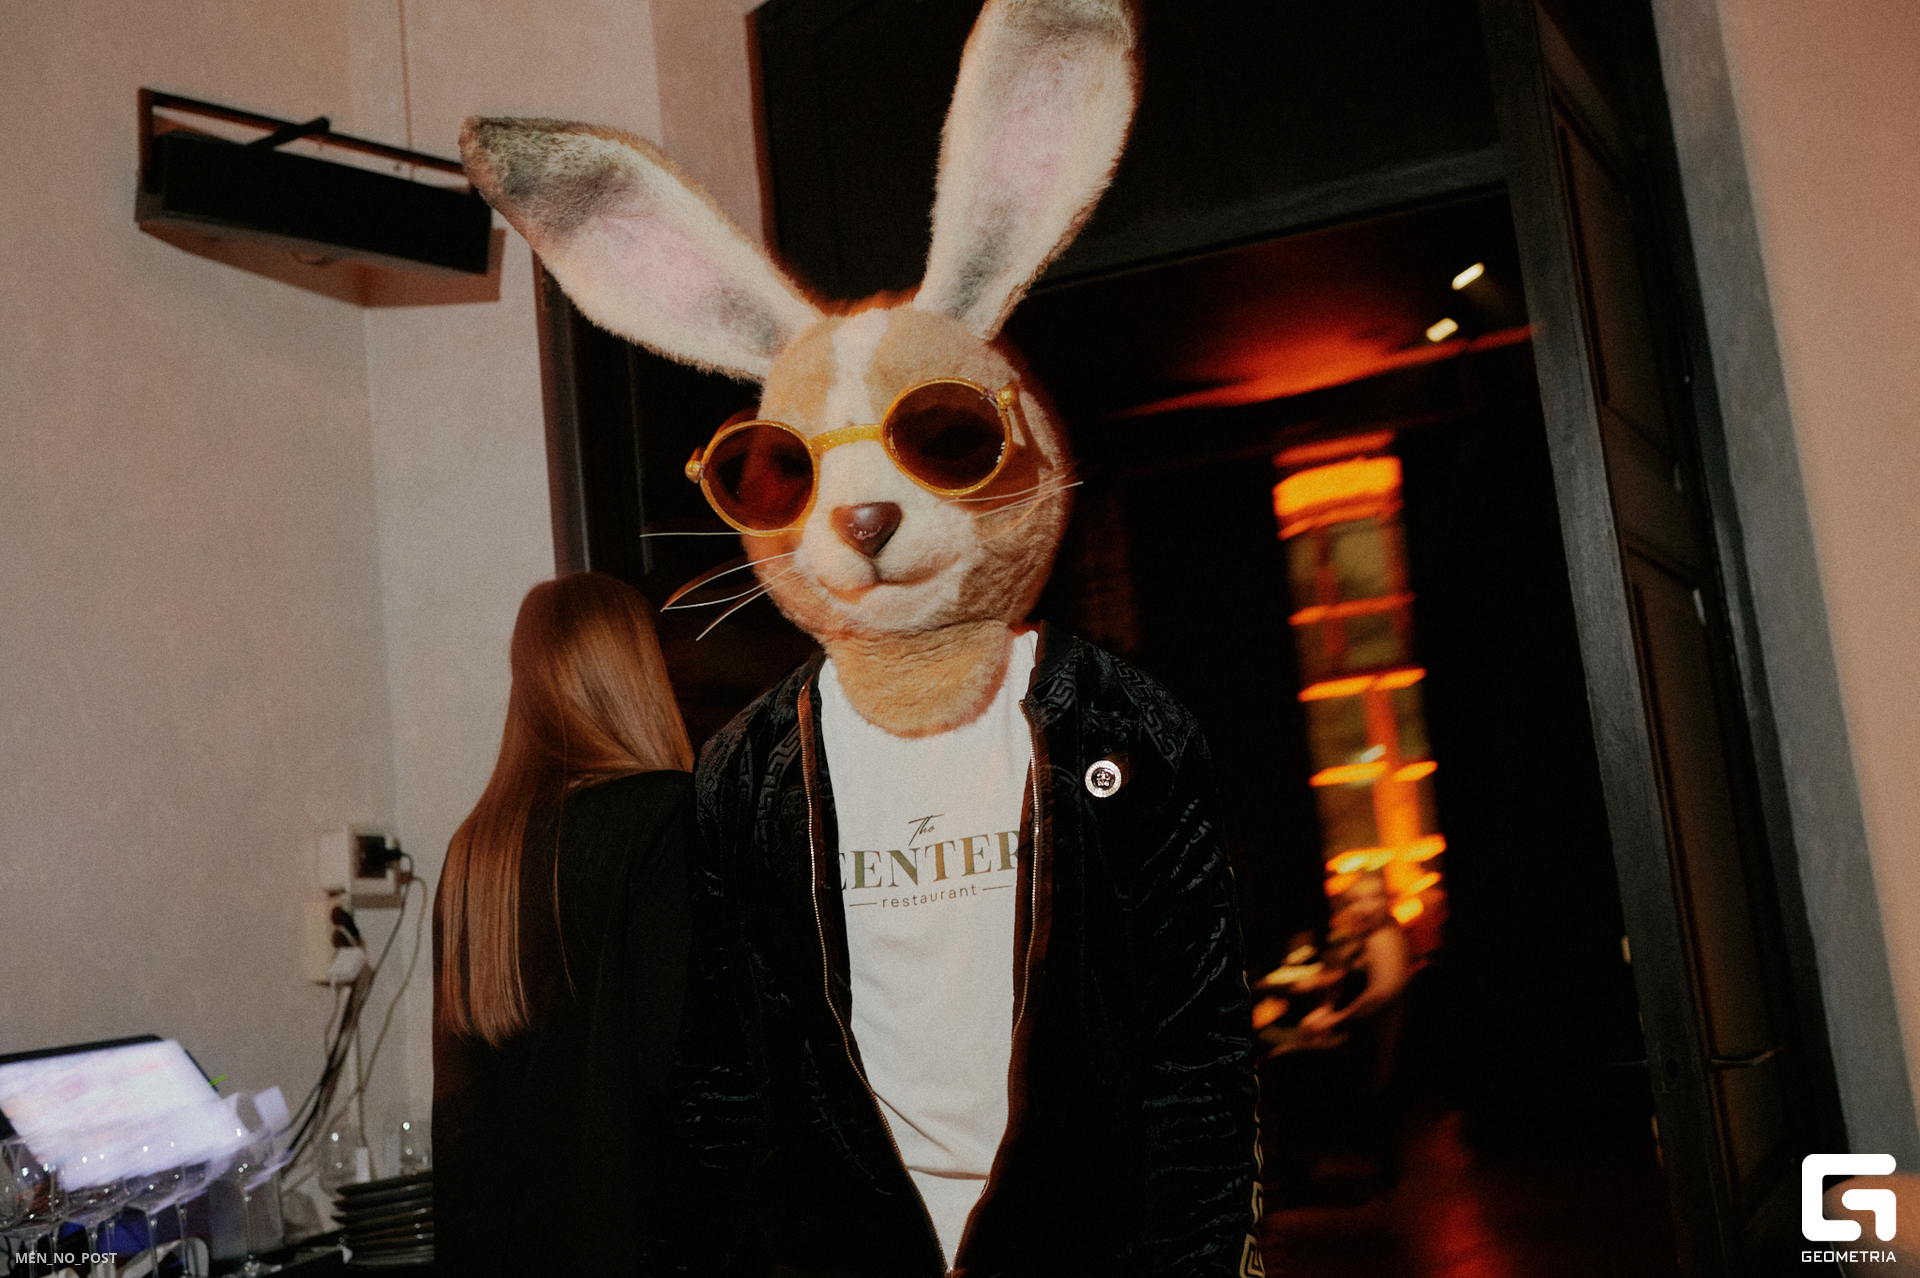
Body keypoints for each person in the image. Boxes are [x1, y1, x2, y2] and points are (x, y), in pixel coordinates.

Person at [433, 572, 696, 1276]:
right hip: (641, 1243)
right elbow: (689, 1070)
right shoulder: (664, 815)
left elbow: (462, 1116)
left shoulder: (476, 852)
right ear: (636, 671)